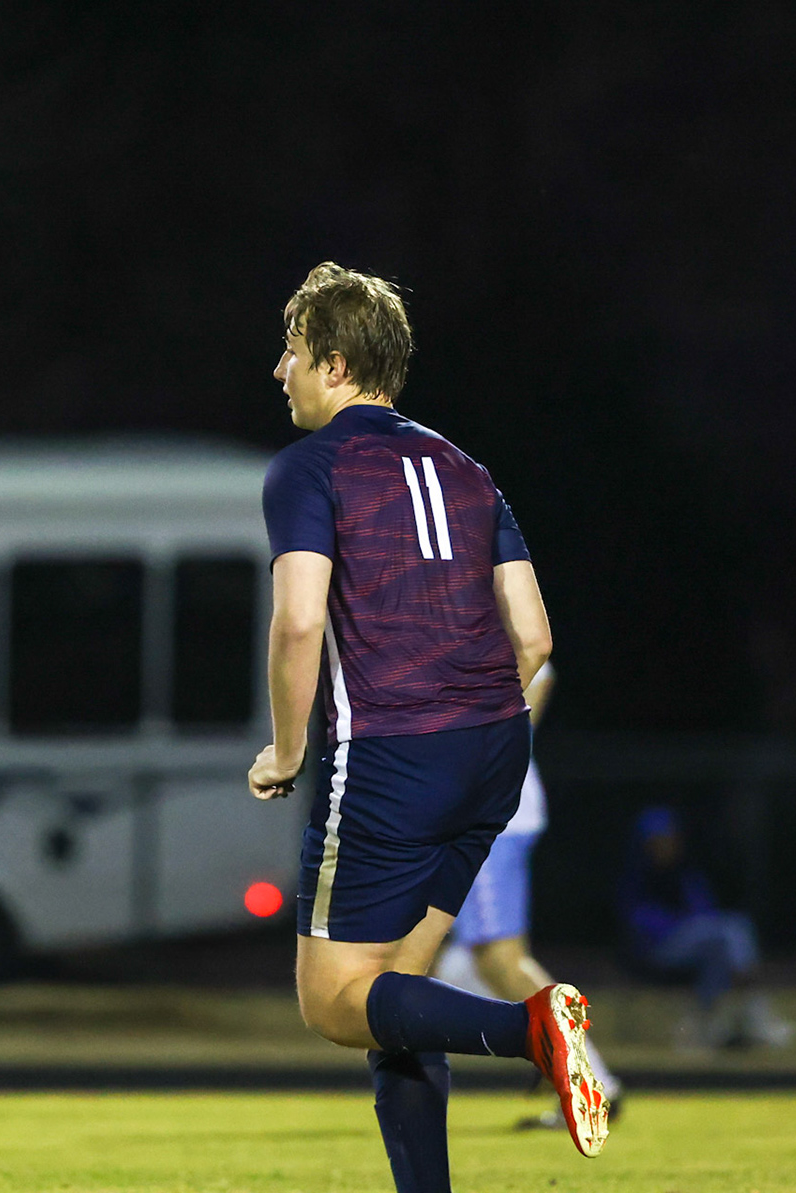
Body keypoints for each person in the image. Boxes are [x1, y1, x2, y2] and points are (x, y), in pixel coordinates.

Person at [249, 262, 608, 1190]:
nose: (276, 369)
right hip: (493, 751)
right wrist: (463, 712)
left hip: (392, 759)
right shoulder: (466, 468)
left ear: (333, 363)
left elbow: (296, 620)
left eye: (289, 350)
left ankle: (530, 1026)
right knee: (396, 999)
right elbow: (533, 635)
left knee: (334, 1003)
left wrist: (289, 752)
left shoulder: (309, 468)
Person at [431, 663, 626, 1130]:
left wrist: (488, 754)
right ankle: (566, 1068)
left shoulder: (463, 602)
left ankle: (589, 1084)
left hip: (487, 814)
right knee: (455, 970)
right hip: (476, 811)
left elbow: (540, 671)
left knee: (500, 960)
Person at [619, 806, 796, 1050]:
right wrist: (687, 926)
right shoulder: (636, 877)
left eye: (670, 839)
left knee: (721, 948)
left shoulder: (685, 875)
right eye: (659, 841)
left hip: (698, 946)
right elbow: (642, 926)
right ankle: (754, 1012)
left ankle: (707, 1028)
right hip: (656, 949)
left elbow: (705, 912)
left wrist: (694, 926)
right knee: (732, 930)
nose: (666, 846)